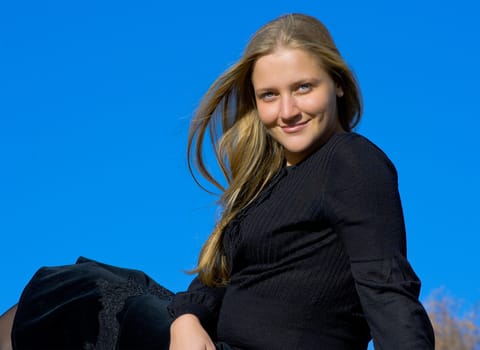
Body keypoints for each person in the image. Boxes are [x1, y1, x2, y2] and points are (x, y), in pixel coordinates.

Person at [0, 13, 434, 350]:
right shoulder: (266, 185)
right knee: (79, 287)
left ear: (337, 84)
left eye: (303, 88)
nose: (287, 111)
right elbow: (219, 281)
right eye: (269, 95)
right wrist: (186, 321)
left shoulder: (352, 161)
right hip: (210, 338)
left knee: (77, 293)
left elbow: (387, 287)